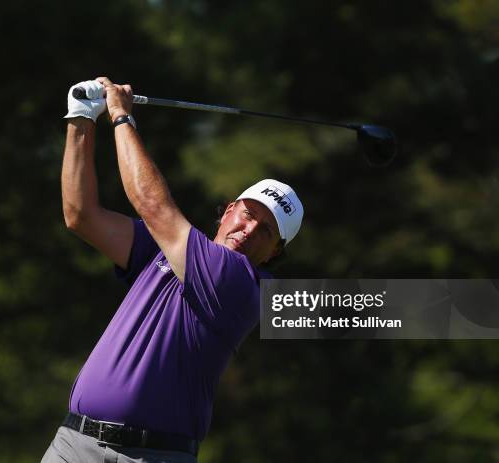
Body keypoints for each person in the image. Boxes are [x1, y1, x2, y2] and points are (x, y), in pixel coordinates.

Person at [42, 77, 304, 463]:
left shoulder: (238, 284)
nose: (249, 230)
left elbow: (152, 205)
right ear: (229, 209)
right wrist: (80, 117)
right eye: (248, 214)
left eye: (266, 231)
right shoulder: (163, 249)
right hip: (74, 444)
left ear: (273, 253)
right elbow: (81, 215)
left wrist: (119, 117)